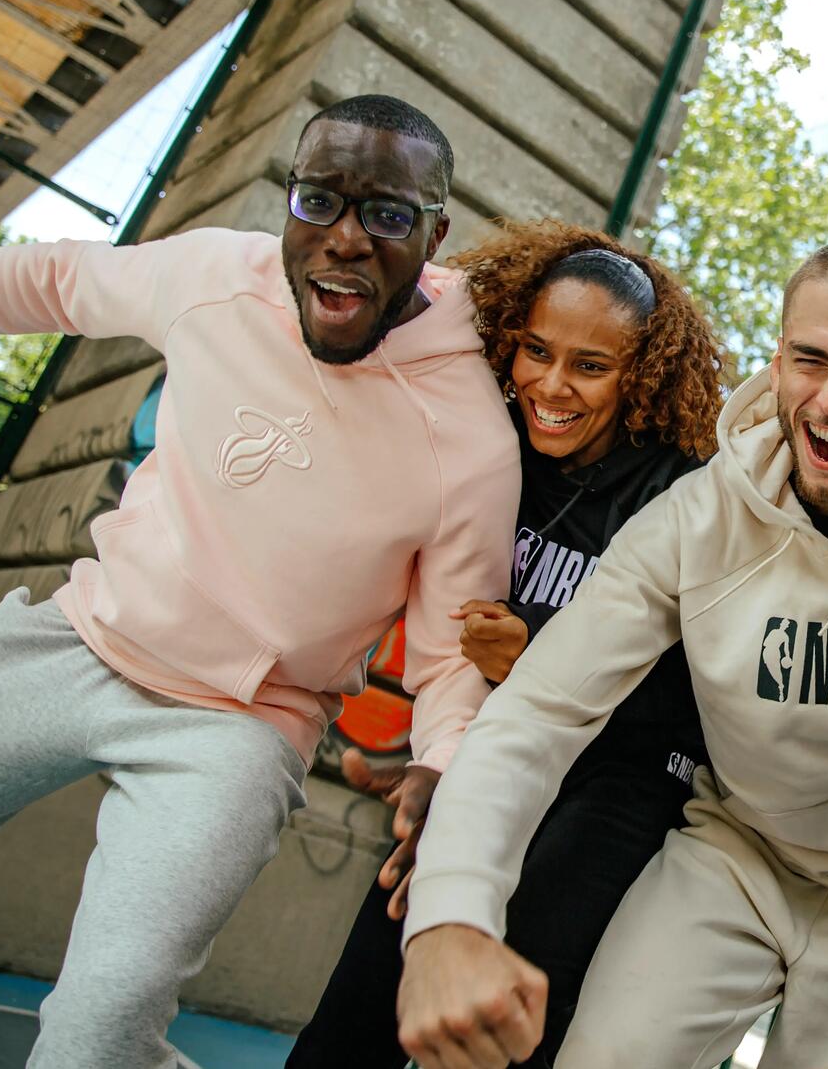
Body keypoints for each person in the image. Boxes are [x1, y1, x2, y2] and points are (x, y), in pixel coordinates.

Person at [0, 94, 521, 1067]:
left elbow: (453, 653)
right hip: (80, 639)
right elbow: (51, 278)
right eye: (318, 201)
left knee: (98, 1035)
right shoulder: (217, 276)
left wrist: (446, 762)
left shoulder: (468, 438)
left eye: (385, 214)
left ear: (434, 232)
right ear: (289, 202)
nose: (344, 238)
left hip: (240, 727)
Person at [393, 239, 828, 1069]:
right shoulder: (699, 516)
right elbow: (541, 709)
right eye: (811, 359)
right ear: (777, 367)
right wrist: (449, 919)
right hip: (737, 847)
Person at [286, 222, 724, 1068]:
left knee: (512, 1013)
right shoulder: (486, 449)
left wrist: (547, 649)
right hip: (491, 756)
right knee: (361, 1006)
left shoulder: (684, 491)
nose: (551, 385)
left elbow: (701, 701)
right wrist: (440, 751)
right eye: (536, 351)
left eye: (590, 366)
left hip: (620, 778)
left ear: (641, 374)